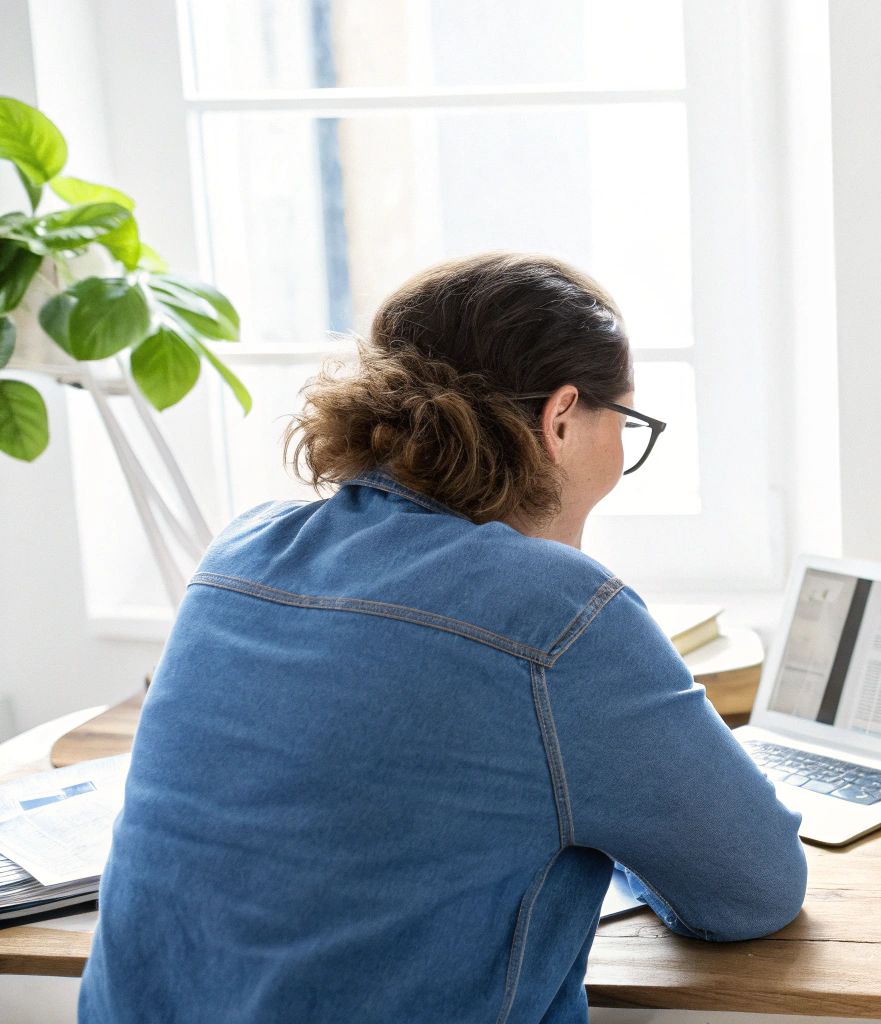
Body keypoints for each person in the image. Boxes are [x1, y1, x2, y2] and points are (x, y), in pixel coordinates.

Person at [79, 252, 807, 1023]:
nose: (625, 449)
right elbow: (754, 888)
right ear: (561, 419)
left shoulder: (239, 552)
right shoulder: (558, 615)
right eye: (627, 423)